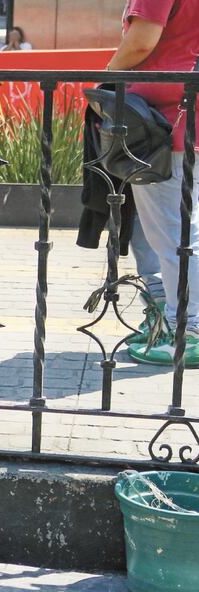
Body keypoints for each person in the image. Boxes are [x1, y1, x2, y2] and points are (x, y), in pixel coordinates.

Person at [106, 0, 199, 365]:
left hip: (163, 124)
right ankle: (173, 320)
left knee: (175, 232)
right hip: (180, 118)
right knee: (172, 228)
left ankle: (187, 330)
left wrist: (109, 71)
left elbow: (143, 41)